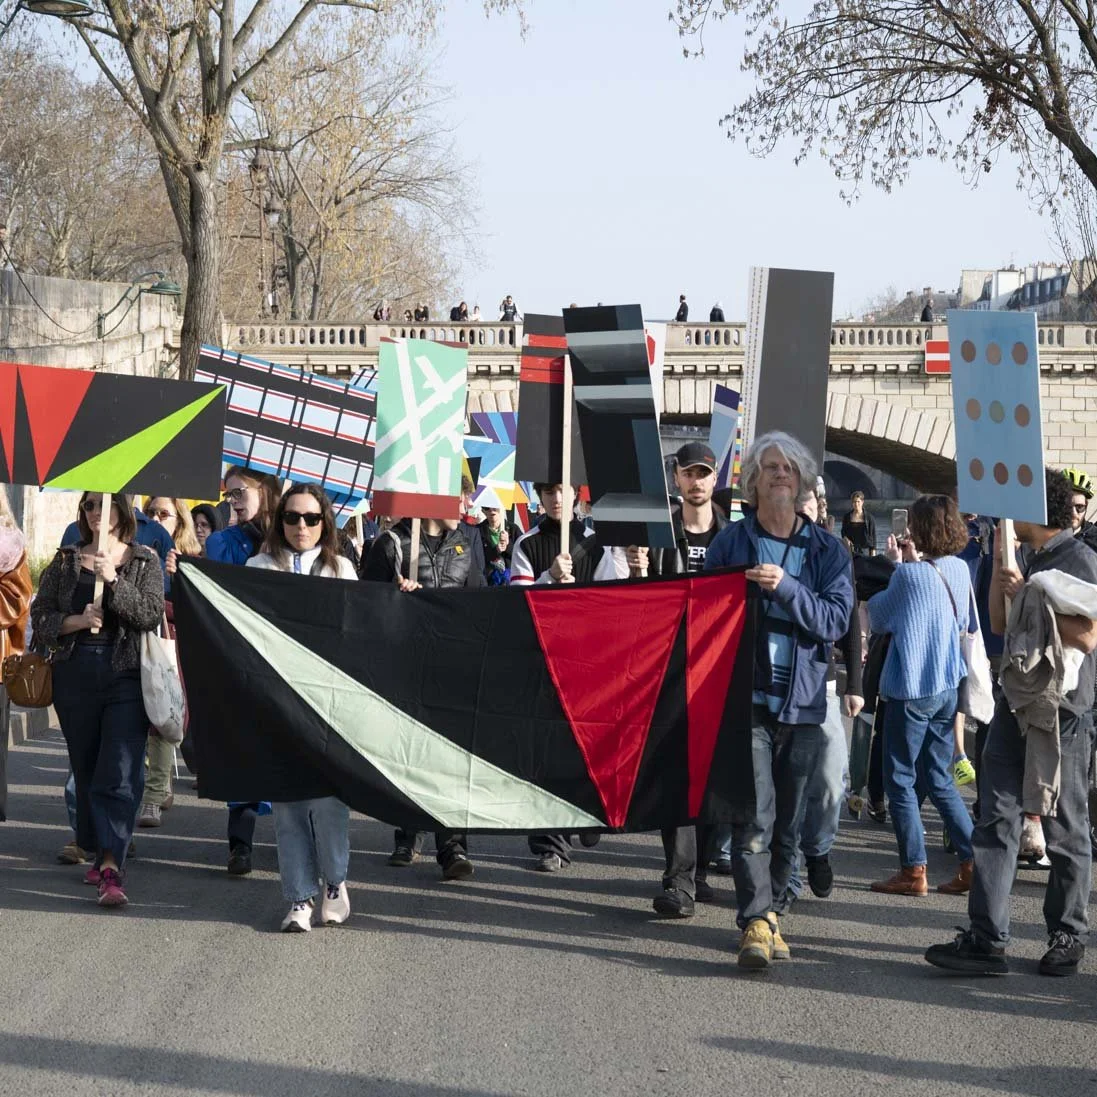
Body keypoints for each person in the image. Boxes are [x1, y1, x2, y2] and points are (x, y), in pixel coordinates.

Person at [927, 469, 1097, 977]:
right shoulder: (1024, 556)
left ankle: (1067, 934)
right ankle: (987, 938)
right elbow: (1001, 627)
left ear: (1040, 510)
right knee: (995, 816)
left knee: (1066, 824)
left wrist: (1025, 594)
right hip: (1015, 700)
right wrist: (1011, 588)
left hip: (1061, 711)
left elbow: (1087, 636)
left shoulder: (1080, 559)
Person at [704, 431, 854, 969]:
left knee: (791, 821)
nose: (781, 475)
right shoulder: (731, 544)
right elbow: (704, 615)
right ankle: (756, 920)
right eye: (770, 468)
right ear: (753, 483)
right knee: (756, 816)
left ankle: (773, 913)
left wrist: (787, 587)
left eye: (790, 468)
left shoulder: (827, 551)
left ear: (804, 481)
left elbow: (835, 621)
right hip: (748, 702)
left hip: (805, 705)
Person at [32, 493, 164, 908]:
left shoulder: (144, 560)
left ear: (121, 512)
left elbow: (149, 614)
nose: (93, 512)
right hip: (75, 675)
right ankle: (94, 844)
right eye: (88, 505)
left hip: (125, 675)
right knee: (86, 768)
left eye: (101, 505)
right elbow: (41, 619)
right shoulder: (66, 559)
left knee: (121, 771)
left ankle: (110, 865)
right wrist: (77, 620)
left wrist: (115, 580)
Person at [246, 483, 357, 931]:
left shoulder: (341, 568)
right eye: (292, 517)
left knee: (328, 802)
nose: (301, 527)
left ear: (324, 523)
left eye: (311, 518)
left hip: (329, 701)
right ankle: (298, 897)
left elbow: (359, 630)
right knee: (288, 803)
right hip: (278, 699)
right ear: (280, 521)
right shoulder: (258, 566)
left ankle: (334, 881)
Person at [625, 441, 730, 916]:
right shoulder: (657, 535)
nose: (696, 481)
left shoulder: (734, 539)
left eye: (704, 473)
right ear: (676, 480)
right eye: (688, 473)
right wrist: (639, 576)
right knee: (677, 775)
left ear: (715, 479)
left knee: (713, 776)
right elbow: (637, 611)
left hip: (720, 668)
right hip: (669, 671)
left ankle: (701, 868)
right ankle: (680, 881)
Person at [361, 513, 485, 879]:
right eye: (455, 497)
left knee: (450, 759)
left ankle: (452, 845)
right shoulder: (391, 544)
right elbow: (366, 605)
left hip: (451, 667)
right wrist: (396, 599)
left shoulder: (465, 543)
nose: (462, 506)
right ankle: (407, 832)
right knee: (408, 753)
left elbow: (479, 603)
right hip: (405, 665)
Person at [866, 495, 974, 897]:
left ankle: (913, 870)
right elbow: (961, 619)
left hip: (912, 688)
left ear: (923, 528)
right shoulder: (960, 569)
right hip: (948, 686)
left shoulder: (909, 576)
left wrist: (896, 566)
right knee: (940, 777)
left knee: (900, 779)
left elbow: (879, 615)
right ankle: (972, 859)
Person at [511, 482, 622, 870]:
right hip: (544, 654)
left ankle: (588, 812)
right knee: (546, 748)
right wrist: (548, 578)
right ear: (539, 498)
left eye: (562, 491)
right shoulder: (525, 544)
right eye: (547, 492)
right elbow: (517, 603)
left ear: (575, 494)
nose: (555, 499)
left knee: (587, 744)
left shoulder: (598, 542)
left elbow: (614, 598)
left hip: (589, 658)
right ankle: (548, 843)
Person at [205, 466, 283, 875]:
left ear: (266, 490)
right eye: (229, 494)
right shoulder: (223, 541)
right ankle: (240, 845)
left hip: (284, 664)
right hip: (240, 658)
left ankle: (298, 842)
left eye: (239, 493)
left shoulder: (294, 535)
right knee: (243, 750)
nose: (232, 501)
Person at [794, 486, 863, 900]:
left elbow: (850, 618)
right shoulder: (771, 545)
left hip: (825, 681)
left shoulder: (834, 553)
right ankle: (783, 874)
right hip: (780, 683)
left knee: (830, 779)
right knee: (786, 779)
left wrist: (854, 684)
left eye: (809, 503)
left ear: (819, 510)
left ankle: (817, 850)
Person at [135, 497, 201, 829]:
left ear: (179, 521)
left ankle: (153, 796)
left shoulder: (189, 558)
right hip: (138, 644)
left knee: (163, 719)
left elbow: (198, 608)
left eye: (164, 514)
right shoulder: (139, 549)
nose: (156, 519)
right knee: (141, 721)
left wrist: (176, 580)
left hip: (173, 647)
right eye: (151, 513)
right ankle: (157, 784)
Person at [478, 503, 521, 585]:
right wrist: (495, 550)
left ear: (502, 508)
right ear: (483, 510)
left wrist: (508, 546)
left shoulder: (513, 529)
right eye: (487, 507)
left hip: (511, 580)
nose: (491, 510)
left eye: (495, 506)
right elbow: (477, 558)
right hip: (488, 580)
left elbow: (522, 554)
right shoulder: (478, 530)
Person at [841, 490, 876, 557]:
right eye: (854, 502)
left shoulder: (869, 518)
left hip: (865, 551)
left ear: (862, 502)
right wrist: (846, 539)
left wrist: (873, 555)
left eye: (858, 501)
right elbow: (843, 532)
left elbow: (873, 538)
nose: (856, 504)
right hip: (851, 550)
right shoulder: (847, 517)